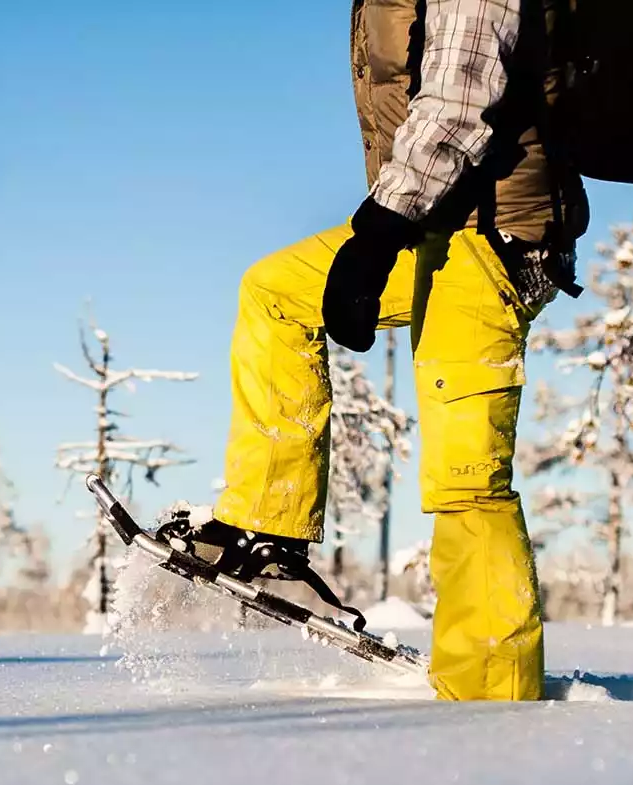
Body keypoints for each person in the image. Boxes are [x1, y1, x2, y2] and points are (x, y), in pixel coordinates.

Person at [176, 0, 587, 701]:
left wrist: (376, 235)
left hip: (499, 238)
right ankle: (268, 532)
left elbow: (459, 103)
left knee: (465, 475)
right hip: (438, 223)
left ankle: (491, 699)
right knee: (277, 292)